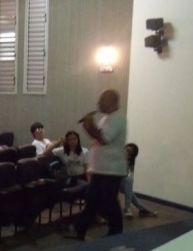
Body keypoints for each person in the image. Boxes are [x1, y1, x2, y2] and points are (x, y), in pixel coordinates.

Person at [67, 89, 128, 240]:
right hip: (101, 169)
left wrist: (89, 125)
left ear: (112, 101)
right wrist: (90, 127)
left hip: (111, 170)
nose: (98, 103)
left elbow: (104, 139)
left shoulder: (118, 118)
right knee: (92, 199)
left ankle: (116, 231)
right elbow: (97, 138)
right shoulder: (105, 119)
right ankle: (80, 229)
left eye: (102, 100)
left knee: (108, 202)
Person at [120, 142, 158, 219]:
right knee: (129, 182)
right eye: (127, 150)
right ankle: (137, 209)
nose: (127, 153)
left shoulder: (126, 162)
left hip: (117, 182)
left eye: (129, 154)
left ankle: (135, 209)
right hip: (108, 181)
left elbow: (123, 175)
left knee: (129, 182)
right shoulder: (116, 158)